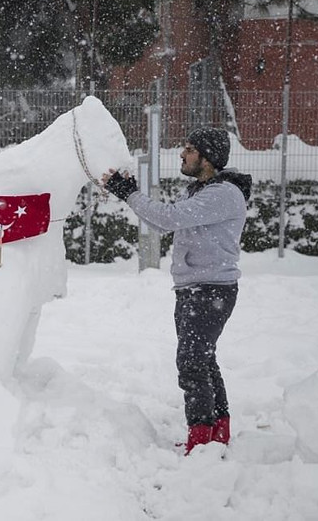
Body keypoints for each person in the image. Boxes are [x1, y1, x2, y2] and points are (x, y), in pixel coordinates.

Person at [102, 127, 252, 455]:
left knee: (192, 361)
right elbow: (161, 223)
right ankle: (218, 431)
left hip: (212, 290)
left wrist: (129, 193)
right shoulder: (198, 191)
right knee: (203, 360)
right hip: (193, 289)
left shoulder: (223, 193)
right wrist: (128, 193)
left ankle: (201, 439)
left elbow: (168, 219)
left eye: (189, 149)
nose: (182, 154)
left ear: (207, 157)